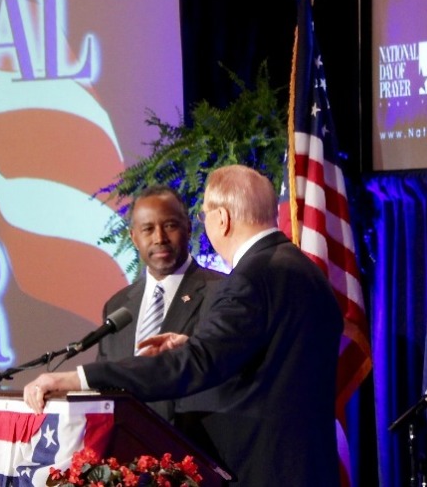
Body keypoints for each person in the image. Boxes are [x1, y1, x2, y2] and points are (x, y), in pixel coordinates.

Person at [23, 164, 343, 486]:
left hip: (263, 471)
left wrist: (78, 377)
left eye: (204, 216)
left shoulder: (248, 279)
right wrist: (194, 344)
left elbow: (198, 366)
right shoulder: (307, 271)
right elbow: (268, 368)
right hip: (308, 468)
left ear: (222, 219)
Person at [97, 184, 224, 422]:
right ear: (134, 238)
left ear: (188, 227)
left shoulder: (221, 292)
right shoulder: (117, 306)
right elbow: (106, 386)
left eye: (170, 226)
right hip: (129, 451)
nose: (160, 238)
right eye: (148, 229)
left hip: (197, 449)